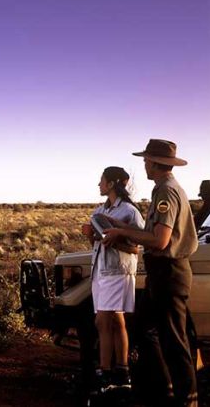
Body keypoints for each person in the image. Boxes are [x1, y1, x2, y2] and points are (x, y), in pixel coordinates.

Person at [102, 139, 198, 407]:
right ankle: (163, 390)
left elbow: (160, 240)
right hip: (161, 274)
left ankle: (187, 401)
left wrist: (121, 232)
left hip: (169, 273)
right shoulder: (162, 189)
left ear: (156, 163)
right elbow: (151, 234)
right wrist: (118, 224)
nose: (144, 164)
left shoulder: (166, 192)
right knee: (145, 329)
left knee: (175, 343)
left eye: (146, 160)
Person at [82, 167, 144, 395]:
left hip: (118, 271)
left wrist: (114, 241)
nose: (99, 184)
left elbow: (137, 248)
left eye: (102, 180)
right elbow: (98, 244)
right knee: (116, 321)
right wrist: (91, 235)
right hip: (101, 269)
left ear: (112, 184)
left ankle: (105, 374)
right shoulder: (100, 210)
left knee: (103, 322)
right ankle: (122, 372)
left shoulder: (129, 211)